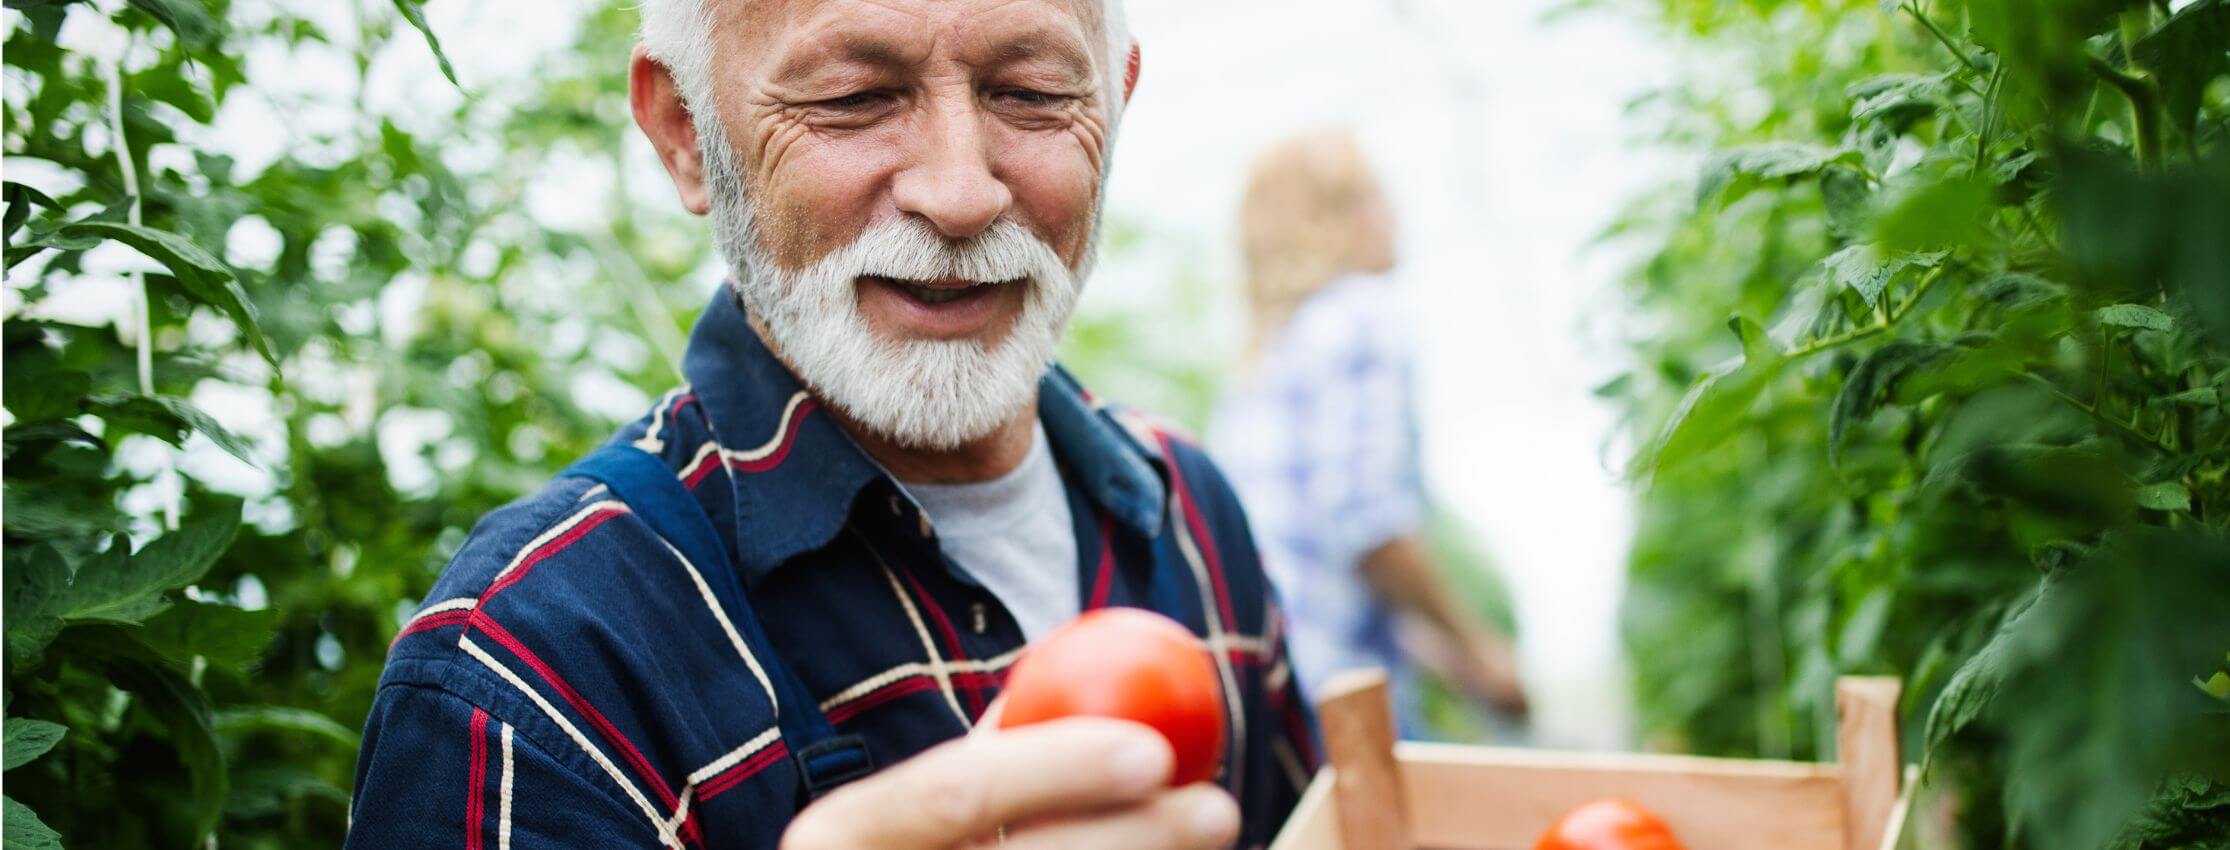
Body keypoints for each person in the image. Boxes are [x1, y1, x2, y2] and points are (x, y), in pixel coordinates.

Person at [342, 1, 1316, 847]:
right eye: (853, 98)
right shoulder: (536, 672)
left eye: (1029, 91)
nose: (959, 192)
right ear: (685, 130)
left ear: (1114, 99)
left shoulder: (1189, 511)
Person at [1209, 131, 1528, 733]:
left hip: (1258, 688)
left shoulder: (1266, 356)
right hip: (1341, 702)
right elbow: (1369, 525)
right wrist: (1481, 647)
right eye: (1378, 198)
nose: (1393, 216)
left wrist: (1452, 660)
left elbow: (1317, 565)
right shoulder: (1360, 316)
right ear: (1336, 218)